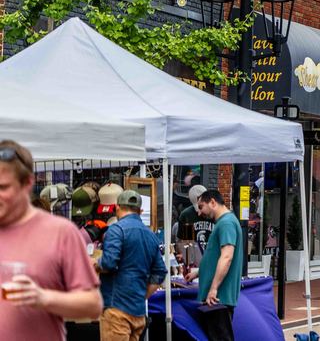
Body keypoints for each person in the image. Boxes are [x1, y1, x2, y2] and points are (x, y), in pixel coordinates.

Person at [0, 140, 102, 340]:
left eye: (3, 187)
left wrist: (44, 298)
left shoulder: (61, 233)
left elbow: (92, 304)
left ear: (27, 184)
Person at [97, 190, 168, 341]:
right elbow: (160, 272)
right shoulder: (150, 235)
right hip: (138, 312)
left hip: (116, 309)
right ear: (140, 211)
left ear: (117, 207)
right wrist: (142, 296)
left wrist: (94, 264)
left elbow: (109, 263)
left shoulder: (116, 230)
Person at [181, 189, 244, 341]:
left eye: (201, 206)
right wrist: (199, 272)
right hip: (217, 298)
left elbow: (227, 257)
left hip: (218, 298)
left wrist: (214, 289)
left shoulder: (226, 223)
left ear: (213, 202)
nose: (199, 212)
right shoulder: (224, 222)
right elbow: (217, 256)